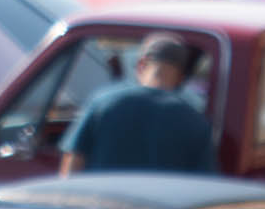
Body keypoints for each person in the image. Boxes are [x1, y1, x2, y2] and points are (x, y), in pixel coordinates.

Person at [59, 33, 217, 175]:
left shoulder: (103, 103)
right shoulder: (196, 123)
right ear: (181, 77)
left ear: (141, 64)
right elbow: (203, 182)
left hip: (100, 205)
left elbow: (73, 162)